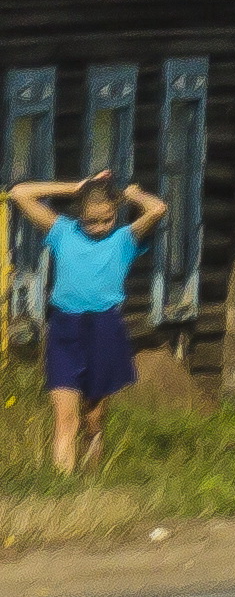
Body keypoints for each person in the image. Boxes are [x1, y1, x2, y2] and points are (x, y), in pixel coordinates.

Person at [9, 163, 169, 474]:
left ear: (115, 214)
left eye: (106, 219)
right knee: (64, 420)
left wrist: (130, 194)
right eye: (90, 221)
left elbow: (158, 208)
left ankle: (90, 481)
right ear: (79, 214)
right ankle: (62, 489)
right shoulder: (62, 232)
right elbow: (19, 193)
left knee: (92, 419)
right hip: (65, 330)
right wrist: (76, 187)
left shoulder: (125, 238)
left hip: (105, 328)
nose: (99, 227)